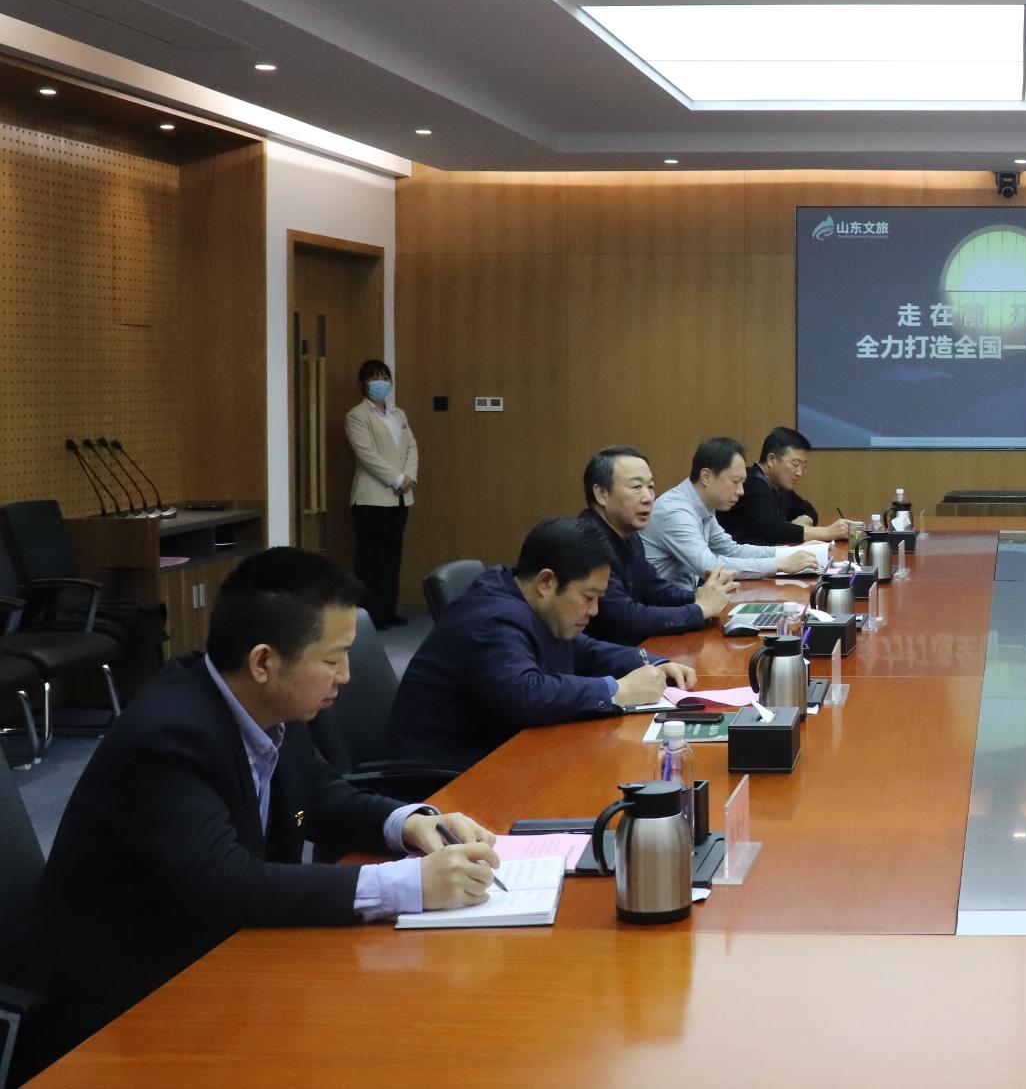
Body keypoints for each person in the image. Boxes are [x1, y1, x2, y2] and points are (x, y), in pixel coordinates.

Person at [0, 549, 501, 1076]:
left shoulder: (270, 707)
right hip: (113, 1010)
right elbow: (226, 883)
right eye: (333, 659)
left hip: (212, 966)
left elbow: (317, 799)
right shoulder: (170, 738)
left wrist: (411, 823)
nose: (346, 676)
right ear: (264, 662)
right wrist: (408, 885)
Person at [389, 517, 695, 767]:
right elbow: (526, 694)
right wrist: (618, 690)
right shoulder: (493, 619)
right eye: (588, 597)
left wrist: (653, 663)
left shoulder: (525, 600)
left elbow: (582, 649)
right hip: (446, 777)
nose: (594, 610)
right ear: (546, 582)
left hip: (499, 752)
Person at [579, 444, 732, 645]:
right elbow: (626, 618)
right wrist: (699, 610)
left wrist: (700, 596)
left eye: (650, 487)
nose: (648, 498)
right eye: (637, 487)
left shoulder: (630, 536)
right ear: (601, 494)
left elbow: (655, 590)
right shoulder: (586, 543)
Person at [642, 437, 821, 590]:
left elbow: (732, 550)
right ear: (706, 476)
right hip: (666, 609)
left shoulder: (703, 505)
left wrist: (790, 552)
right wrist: (779, 564)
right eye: (735, 482)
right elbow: (711, 568)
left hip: (688, 599)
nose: (741, 491)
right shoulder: (675, 512)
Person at [344, 358, 419, 627]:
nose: (381, 383)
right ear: (363, 384)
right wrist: (397, 478)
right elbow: (366, 454)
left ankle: (388, 610)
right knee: (370, 559)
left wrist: (409, 477)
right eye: (375, 378)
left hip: (400, 497)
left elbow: (411, 447)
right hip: (371, 497)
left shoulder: (399, 415)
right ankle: (369, 616)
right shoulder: (357, 416)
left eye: (385, 378)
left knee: (392, 556)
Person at [719, 426, 852, 547]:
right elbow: (771, 530)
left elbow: (808, 510)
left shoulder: (778, 485)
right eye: (795, 463)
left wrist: (803, 521)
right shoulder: (751, 483)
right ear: (771, 459)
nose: (799, 472)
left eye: (803, 466)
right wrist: (827, 532)